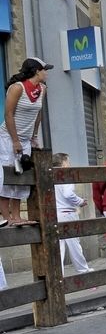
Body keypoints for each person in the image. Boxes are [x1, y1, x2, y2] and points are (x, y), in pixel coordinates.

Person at [0, 57, 52, 226]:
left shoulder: (42, 89)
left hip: (25, 139)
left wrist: (34, 136)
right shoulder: (17, 88)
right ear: (36, 71)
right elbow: (8, 114)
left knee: (21, 175)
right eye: (45, 69)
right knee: (7, 175)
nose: (46, 73)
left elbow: (38, 114)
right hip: (8, 136)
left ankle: (17, 216)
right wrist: (15, 141)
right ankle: (7, 217)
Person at [53, 153, 93, 275]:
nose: (69, 164)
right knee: (74, 244)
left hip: (56, 213)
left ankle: (58, 273)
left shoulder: (51, 175)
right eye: (68, 161)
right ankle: (83, 270)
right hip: (68, 213)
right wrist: (80, 201)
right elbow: (68, 194)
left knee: (59, 246)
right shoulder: (66, 176)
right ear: (63, 163)